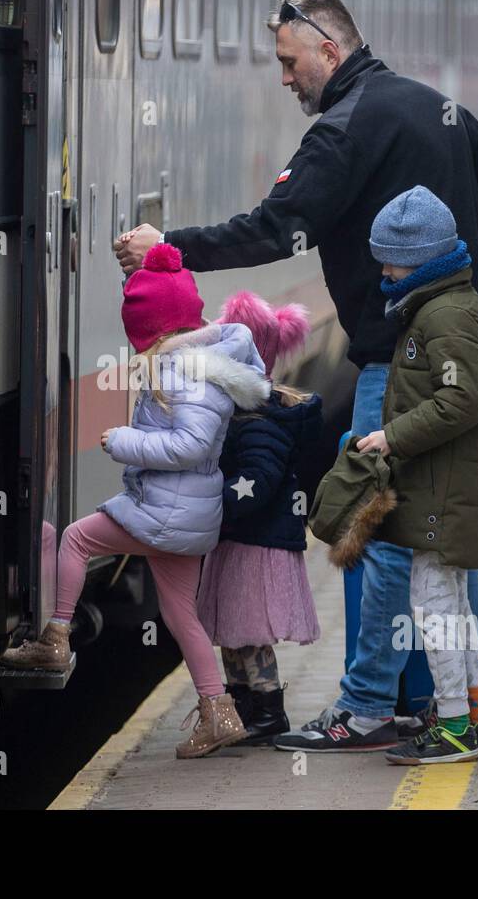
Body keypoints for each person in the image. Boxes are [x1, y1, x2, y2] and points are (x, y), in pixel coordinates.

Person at [118, 0, 478, 752]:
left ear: (328, 51)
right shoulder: (434, 106)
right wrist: (462, 275)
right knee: (460, 523)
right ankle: (472, 691)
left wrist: (169, 249)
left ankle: (366, 706)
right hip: (468, 355)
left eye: (287, 61)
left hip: (390, 363)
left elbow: (277, 227)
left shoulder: (342, 130)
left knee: (374, 531)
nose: (283, 78)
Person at [1, 242, 271, 759]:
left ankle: (55, 639)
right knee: (180, 615)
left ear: (157, 331)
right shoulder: (206, 361)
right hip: (188, 513)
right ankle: (219, 712)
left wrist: (122, 441)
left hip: (166, 509)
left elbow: (189, 446)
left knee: (76, 538)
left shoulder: (184, 373)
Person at [353, 186, 478, 764]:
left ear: (418, 259)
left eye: (391, 258)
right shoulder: (441, 306)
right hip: (448, 483)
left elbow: (461, 399)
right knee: (451, 600)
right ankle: (468, 711)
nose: (384, 269)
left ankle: (453, 728)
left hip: (448, 487)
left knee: (434, 602)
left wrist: (392, 436)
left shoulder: (445, 315)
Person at [196, 291, 324, 744]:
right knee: (232, 630)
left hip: (257, 540)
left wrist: (216, 502)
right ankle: (244, 704)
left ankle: (269, 711)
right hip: (240, 537)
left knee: (249, 633)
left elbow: (261, 478)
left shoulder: (260, 416)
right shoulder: (248, 411)